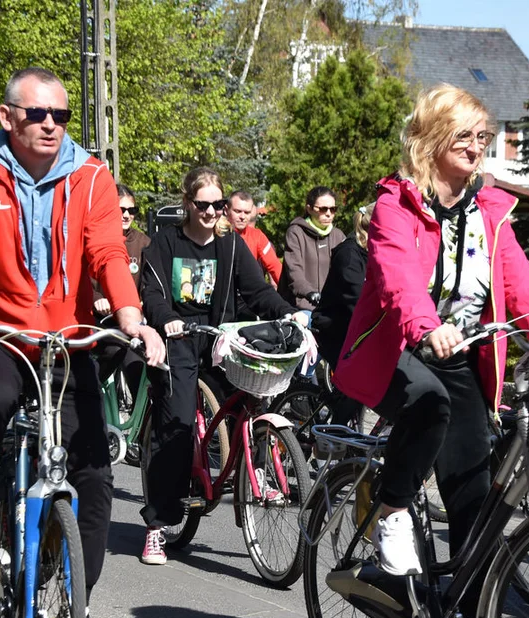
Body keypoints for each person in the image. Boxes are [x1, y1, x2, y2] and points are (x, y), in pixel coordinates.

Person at [0, 68, 165, 618]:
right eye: (38, 115)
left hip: (66, 339)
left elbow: (110, 253)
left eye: (61, 115)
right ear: (8, 117)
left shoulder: (90, 177)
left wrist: (133, 318)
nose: (52, 125)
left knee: (93, 472)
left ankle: (73, 598)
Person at [334, 84, 529, 618]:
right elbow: (396, 275)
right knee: (429, 402)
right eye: (463, 135)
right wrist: (425, 323)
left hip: (461, 353)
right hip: (395, 346)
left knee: (475, 494)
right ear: (433, 139)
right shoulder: (397, 204)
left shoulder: (489, 212)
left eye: (482, 137)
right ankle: (390, 514)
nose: (476, 146)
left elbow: (520, 284)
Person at [138, 166, 306, 565]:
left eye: (218, 204)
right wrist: (166, 320)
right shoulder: (165, 243)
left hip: (218, 338)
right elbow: (153, 295)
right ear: (188, 203)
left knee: (254, 395)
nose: (213, 212)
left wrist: (289, 314)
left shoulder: (230, 247)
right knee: (176, 426)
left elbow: (258, 290)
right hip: (177, 340)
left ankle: (253, 470)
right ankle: (157, 526)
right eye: (204, 205)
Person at [311, 204, 372, 426]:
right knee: (359, 383)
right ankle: (334, 435)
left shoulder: (373, 251)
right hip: (333, 330)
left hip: (355, 330)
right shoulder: (349, 254)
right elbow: (356, 300)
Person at [91, 183, 151, 395]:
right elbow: (81, 279)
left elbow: (150, 280)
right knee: (113, 350)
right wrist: (96, 298)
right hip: (101, 319)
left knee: (139, 364)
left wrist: (145, 300)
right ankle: (90, 393)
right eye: (121, 210)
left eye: (131, 210)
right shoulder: (95, 239)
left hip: (134, 321)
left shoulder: (144, 243)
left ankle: (140, 421)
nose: (126, 215)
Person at [278, 186, 345, 311]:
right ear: (309, 209)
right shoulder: (295, 232)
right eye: (323, 209)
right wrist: (309, 293)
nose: (329, 213)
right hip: (298, 308)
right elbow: (294, 271)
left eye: (333, 209)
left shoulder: (338, 235)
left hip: (329, 308)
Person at [226, 190, 281, 287]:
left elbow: (275, 266)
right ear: (227, 210)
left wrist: (290, 295)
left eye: (247, 212)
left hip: (246, 293)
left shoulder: (257, 236)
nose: (242, 217)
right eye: (238, 211)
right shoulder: (217, 233)